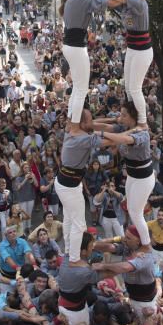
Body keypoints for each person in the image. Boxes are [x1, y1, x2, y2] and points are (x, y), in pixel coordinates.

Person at [92, 0, 152, 124]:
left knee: (135, 88)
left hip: (142, 51)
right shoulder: (124, 6)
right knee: (128, 87)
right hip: (132, 48)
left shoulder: (139, 3)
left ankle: (142, 122)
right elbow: (110, 2)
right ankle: (133, 114)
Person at [96, 101, 154, 248]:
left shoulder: (142, 133)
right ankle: (135, 237)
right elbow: (105, 127)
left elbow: (125, 139)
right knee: (129, 207)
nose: (120, 118)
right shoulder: (125, 127)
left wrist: (101, 134)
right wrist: (85, 125)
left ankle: (147, 246)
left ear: (134, 116)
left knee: (136, 213)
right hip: (132, 176)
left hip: (143, 178)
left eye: (124, 115)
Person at [54, 108, 102, 265]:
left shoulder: (74, 131)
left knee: (69, 217)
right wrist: (129, 135)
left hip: (68, 184)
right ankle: (74, 259)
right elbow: (108, 139)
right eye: (89, 120)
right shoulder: (81, 138)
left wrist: (114, 122)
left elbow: (97, 126)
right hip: (68, 186)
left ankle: (68, 250)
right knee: (80, 225)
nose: (92, 122)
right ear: (81, 123)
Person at [61, 0, 108, 126]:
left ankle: (70, 119)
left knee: (78, 88)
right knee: (82, 89)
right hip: (76, 47)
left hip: (70, 45)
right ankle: (74, 124)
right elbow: (108, 2)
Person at [93, 224, 157, 321]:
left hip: (145, 304)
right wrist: (116, 239)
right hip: (132, 296)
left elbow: (125, 267)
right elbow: (108, 247)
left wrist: (103, 265)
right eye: (124, 236)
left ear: (138, 241)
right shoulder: (129, 247)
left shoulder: (146, 256)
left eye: (128, 238)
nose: (124, 239)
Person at [57, 231, 98, 325]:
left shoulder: (69, 256)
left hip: (80, 305)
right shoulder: (83, 271)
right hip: (72, 313)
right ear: (83, 251)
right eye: (90, 246)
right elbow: (107, 273)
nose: (93, 248)